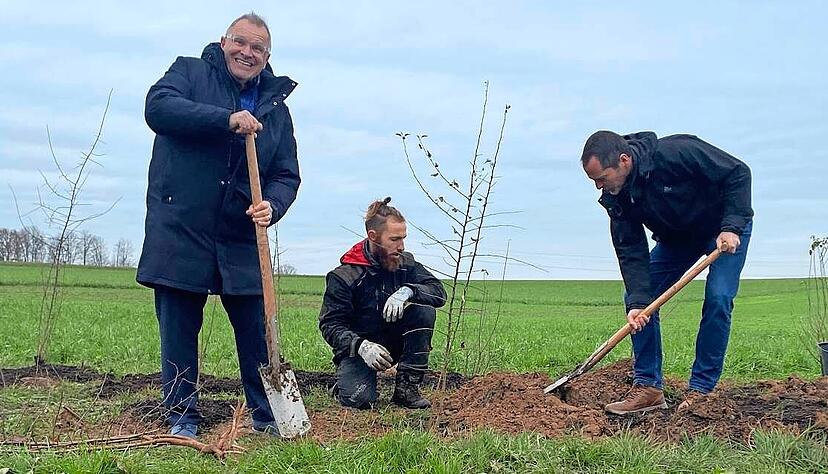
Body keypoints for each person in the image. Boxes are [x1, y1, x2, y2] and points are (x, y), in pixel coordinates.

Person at [136, 12, 300, 439]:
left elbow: (286, 174)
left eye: (258, 48)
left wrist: (272, 205)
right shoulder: (188, 73)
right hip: (182, 227)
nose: (247, 53)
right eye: (241, 43)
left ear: (267, 57)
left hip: (241, 233)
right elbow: (158, 108)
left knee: (255, 329)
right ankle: (182, 416)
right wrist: (225, 120)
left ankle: (266, 415)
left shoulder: (276, 109)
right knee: (179, 327)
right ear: (224, 42)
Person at [580, 131, 753, 415]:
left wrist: (732, 225)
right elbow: (631, 250)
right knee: (639, 300)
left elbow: (737, 173)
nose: (599, 186)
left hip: (724, 231)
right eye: (594, 181)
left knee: (719, 297)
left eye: (602, 177)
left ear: (624, 161)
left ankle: (702, 390)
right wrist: (638, 302)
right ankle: (648, 387)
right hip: (678, 239)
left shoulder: (676, 153)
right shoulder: (617, 197)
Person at [319, 198, 447, 409]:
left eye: (403, 238)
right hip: (359, 350)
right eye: (394, 239)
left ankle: (407, 388)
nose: (401, 246)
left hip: (394, 340)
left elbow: (438, 293)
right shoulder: (344, 277)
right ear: (373, 237)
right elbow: (330, 325)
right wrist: (361, 346)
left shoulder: (406, 264)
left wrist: (410, 291)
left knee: (424, 309)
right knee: (359, 400)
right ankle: (342, 386)